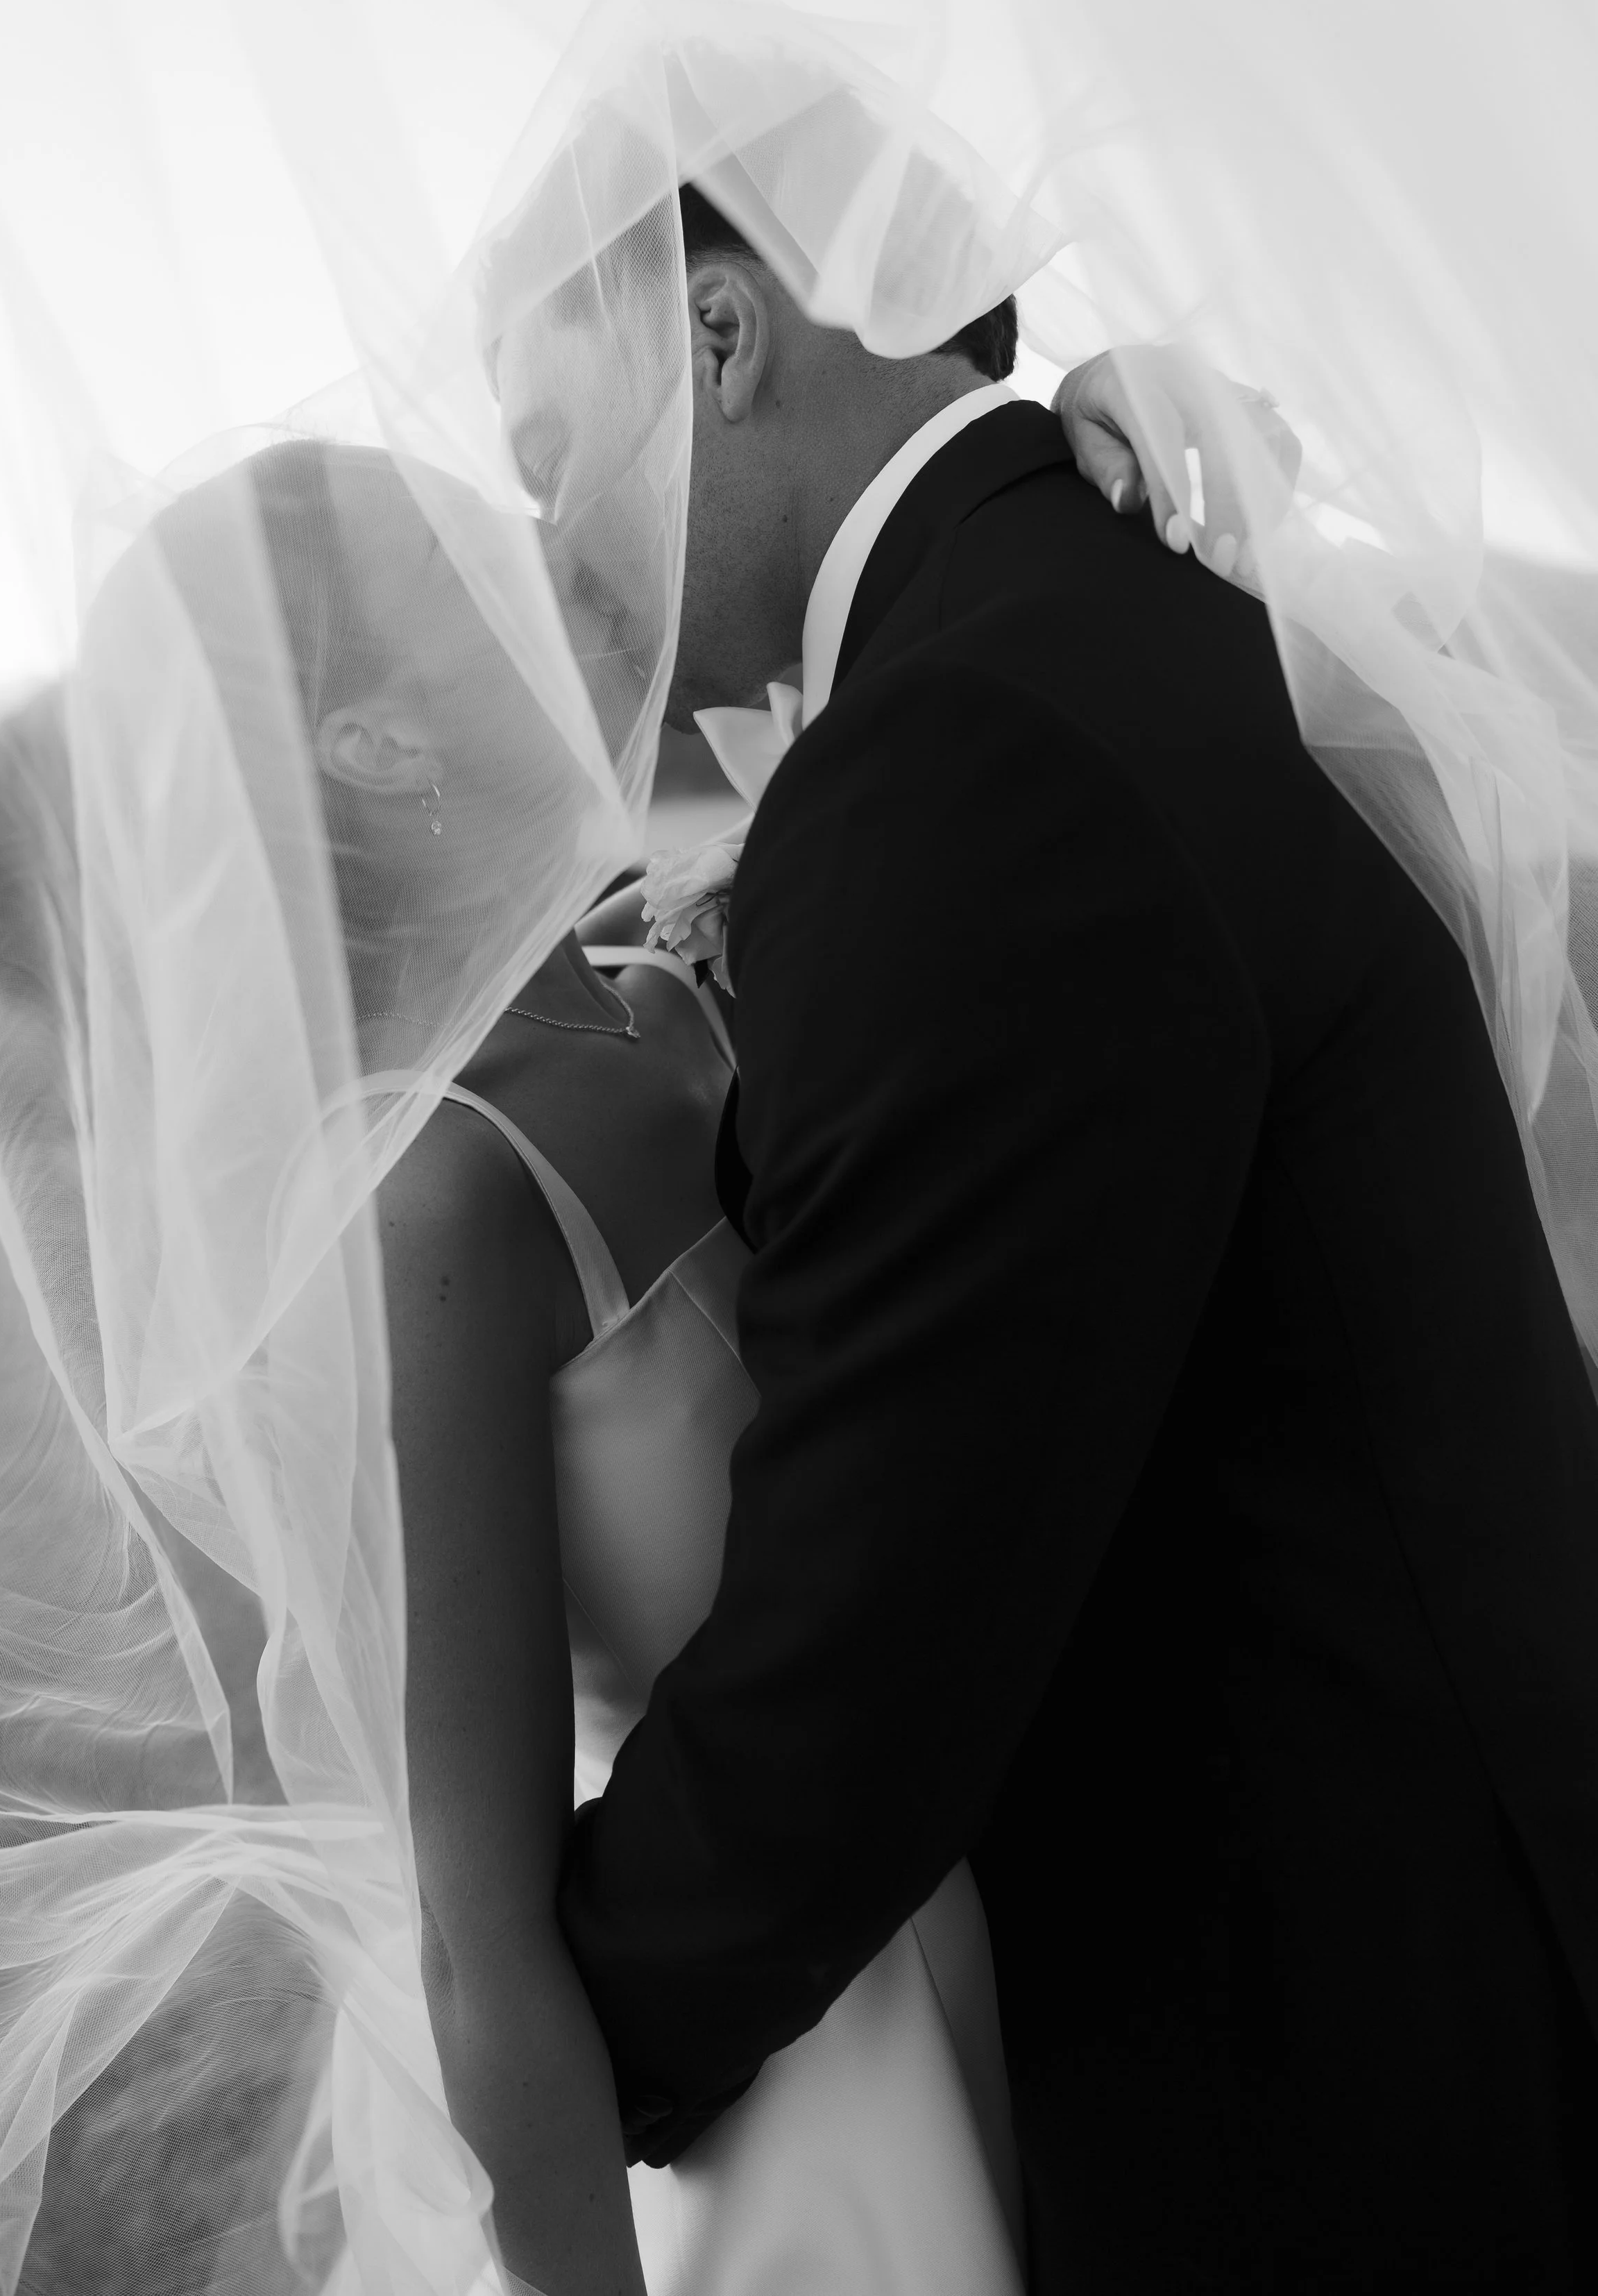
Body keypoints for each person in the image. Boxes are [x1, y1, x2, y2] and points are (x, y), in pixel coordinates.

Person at [555, 185, 1598, 2292]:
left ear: (720, 338)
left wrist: (504, 2059)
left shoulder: (967, 743)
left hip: (1343, 2088)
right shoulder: (1099, 600)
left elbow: (868, 1634)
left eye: (541, 445)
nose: (543, 553)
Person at [228, 370, 1210, 2296]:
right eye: (467, 561)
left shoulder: (687, 974)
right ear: (373, 739)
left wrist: (1080, 447)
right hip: (792, 2120)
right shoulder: (439, 1205)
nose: (549, 552)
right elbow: (470, 1936)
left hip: (1035, 1960)